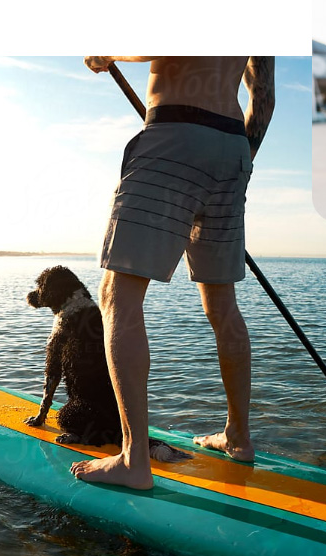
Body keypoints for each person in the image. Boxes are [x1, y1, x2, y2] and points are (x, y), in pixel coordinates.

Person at [70, 56, 275, 490]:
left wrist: (107, 51)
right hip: (233, 147)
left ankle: (133, 459)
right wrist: (234, 161)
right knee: (222, 304)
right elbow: (264, 97)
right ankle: (239, 438)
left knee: (118, 295)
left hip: (175, 134)